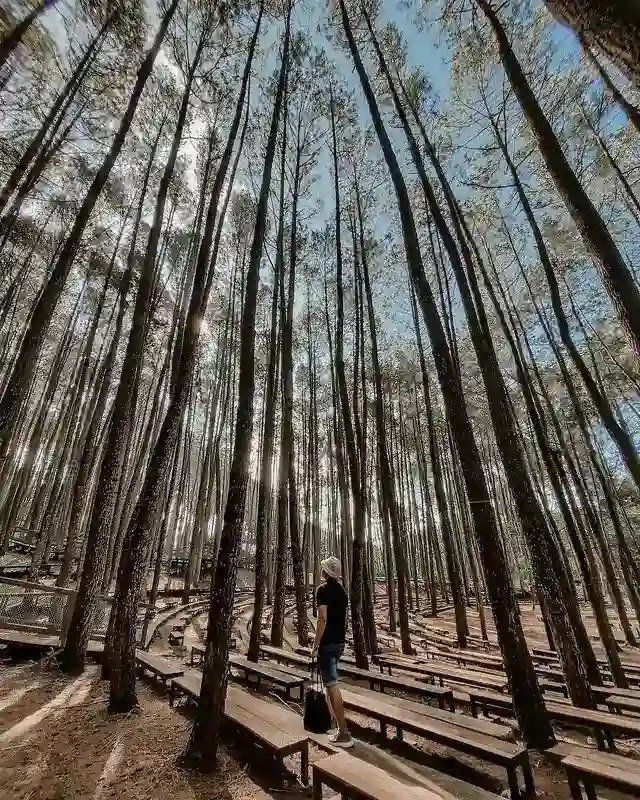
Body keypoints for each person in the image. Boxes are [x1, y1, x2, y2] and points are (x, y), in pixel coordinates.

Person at [312, 555, 353, 748]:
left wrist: (315, 645)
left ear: (326, 572)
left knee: (332, 685)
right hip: (339, 644)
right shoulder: (343, 592)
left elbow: (322, 619)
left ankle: (344, 732)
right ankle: (337, 726)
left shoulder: (322, 591)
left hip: (327, 644)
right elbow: (343, 620)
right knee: (330, 685)